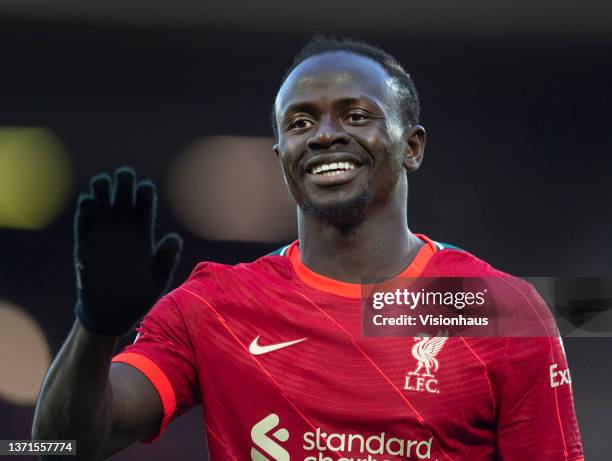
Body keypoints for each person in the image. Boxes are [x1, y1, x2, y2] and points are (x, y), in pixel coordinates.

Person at [32, 36, 584, 461]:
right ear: (281, 155)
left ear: (412, 146)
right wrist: (94, 328)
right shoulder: (214, 306)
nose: (323, 134)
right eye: (300, 122)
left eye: (356, 115)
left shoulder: (498, 310)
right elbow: (58, 448)